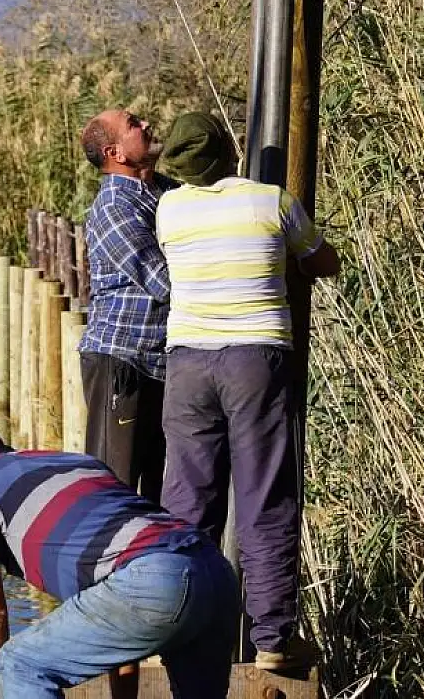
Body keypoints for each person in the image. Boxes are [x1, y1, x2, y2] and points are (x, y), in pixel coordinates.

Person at [154, 112, 341, 672]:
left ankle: (180, 630)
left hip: (186, 361)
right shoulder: (271, 201)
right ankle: (273, 638)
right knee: (264, 494)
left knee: (187, 500)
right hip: (255, 357)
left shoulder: (169, 209)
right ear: (230, 150)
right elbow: (322, 261)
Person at [0, 415, 238, 699]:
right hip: (213, 572)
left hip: (153, 582)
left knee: (19, 663)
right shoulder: (78, 463)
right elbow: (120, 629)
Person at [78, 109, 175, 503]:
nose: (147, 125)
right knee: (112, 489)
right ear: (114, 151)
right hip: (122, 361)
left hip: (161, 363)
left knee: (162, 492)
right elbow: (164, 281)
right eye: (134, 124)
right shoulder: (116, 207)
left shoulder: (162, 191)